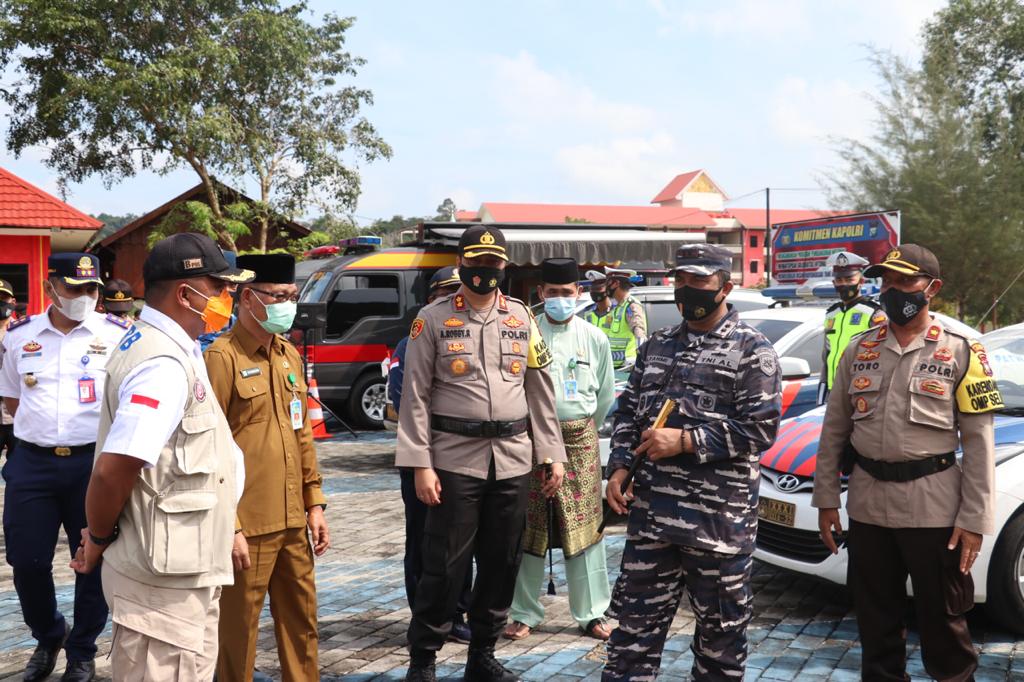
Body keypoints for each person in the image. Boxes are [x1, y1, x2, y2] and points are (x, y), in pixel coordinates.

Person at [69, 233, 252, 681]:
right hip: (161, 584)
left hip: (180, 570)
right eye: (219, 288)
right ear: (186, 294)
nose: (228, 298)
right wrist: (97, 536)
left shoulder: (173, 348)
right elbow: (114, 470)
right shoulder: (162, 366)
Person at [813, 244, 999, 681]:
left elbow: (979, 443)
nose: (892, 290)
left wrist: (974, 519)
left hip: (933, 508)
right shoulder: (860, 349)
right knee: (875, 626)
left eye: (904, 281)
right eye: (886, 281)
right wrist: (825, 500)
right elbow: (834, 430)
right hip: (868, 506)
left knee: (944, 626)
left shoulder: (963, 351)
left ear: (931, 288)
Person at [603, 243, 782, 681]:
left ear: (726, 286)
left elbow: (760, 429)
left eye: (699, 280)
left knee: (719, 648)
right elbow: (627, 412)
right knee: (630, 642)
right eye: (681, 280)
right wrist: (621, 465)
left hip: (716, 528)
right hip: (651, 522)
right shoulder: (656, 345)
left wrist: (685, 440)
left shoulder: (752, 351)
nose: (687, 289)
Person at [396, 225, 566, 682]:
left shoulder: (521, 318)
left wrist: (551, 452)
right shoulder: (430, 320)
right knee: (444, 564)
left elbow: (539, 388)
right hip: (454, 459)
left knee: (501, 560)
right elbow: (413, 396)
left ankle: (483, 656)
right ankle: (424, 659)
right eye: (476, 262)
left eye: (493, 263)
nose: (484, 272)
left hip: (512, 457)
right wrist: (420, 464)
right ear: (461, 264)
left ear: (504, 266)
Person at [0, 253, 131, 682]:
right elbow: (13, 400)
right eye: (74, 288)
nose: (84, 298)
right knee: (28, 561)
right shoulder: (19, 336)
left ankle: (82, 650)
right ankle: (50, 633)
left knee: (92, 560)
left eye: (91, 289)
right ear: (50, 285)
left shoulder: (116, 336)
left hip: (93, 465)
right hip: (32, 462)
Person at [203, 253, 329, 682]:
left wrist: (315, 503)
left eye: (291, 296)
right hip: (248, 526)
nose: (286, 305)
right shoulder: (221, 358)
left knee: (302, 627)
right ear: (247, 298)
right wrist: (231, 524)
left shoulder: (288, 354)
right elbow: (209, 448)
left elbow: (302, 435)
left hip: (294, 521)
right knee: (237, 632)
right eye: (277, 296)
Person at [505, 257, 615, 641]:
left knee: (586, 531)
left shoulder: (594, 337)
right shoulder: (524, 333)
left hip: (581, 442)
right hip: (531, 441)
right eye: (552, 294)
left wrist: (581, 429)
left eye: (567, 294)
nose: (560, 300)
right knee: (529, 529)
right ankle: (523, 612)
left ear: (579, 293)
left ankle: (592, 613)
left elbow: (604, 396)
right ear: (540, 294)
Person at [387, 265, 473, 645]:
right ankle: (424, 616)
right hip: (424, 460)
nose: (455, 300)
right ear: (429, 299)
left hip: (464, 461)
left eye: (460, 292)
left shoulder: (470, 339)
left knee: (461, 542)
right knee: (423, 541)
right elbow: (403, 400)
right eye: (447, 293)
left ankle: (456, 612)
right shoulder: (410, 344)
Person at [817, 251, 885, 405]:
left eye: (849, 279)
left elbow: (884, 356)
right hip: (833, 391)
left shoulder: (874, 313)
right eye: (839, 280)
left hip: (862, 392)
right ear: (834, 283)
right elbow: (827, 357)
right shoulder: (831, 314)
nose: (844, 284)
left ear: (860, 281)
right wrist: (822, 395)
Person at [589, 267, 646, 370]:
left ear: (615, 284)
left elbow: (640, 335)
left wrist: (640, 364)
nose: (605, 287)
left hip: (627, 367)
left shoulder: (631, 305)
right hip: (615, 367)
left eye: (607, 283)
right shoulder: (618, 307)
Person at [0, 300, 15, 458]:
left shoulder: (23, 334)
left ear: (13, 302)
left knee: (19, 475)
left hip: (15, 418)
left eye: (3, 298)